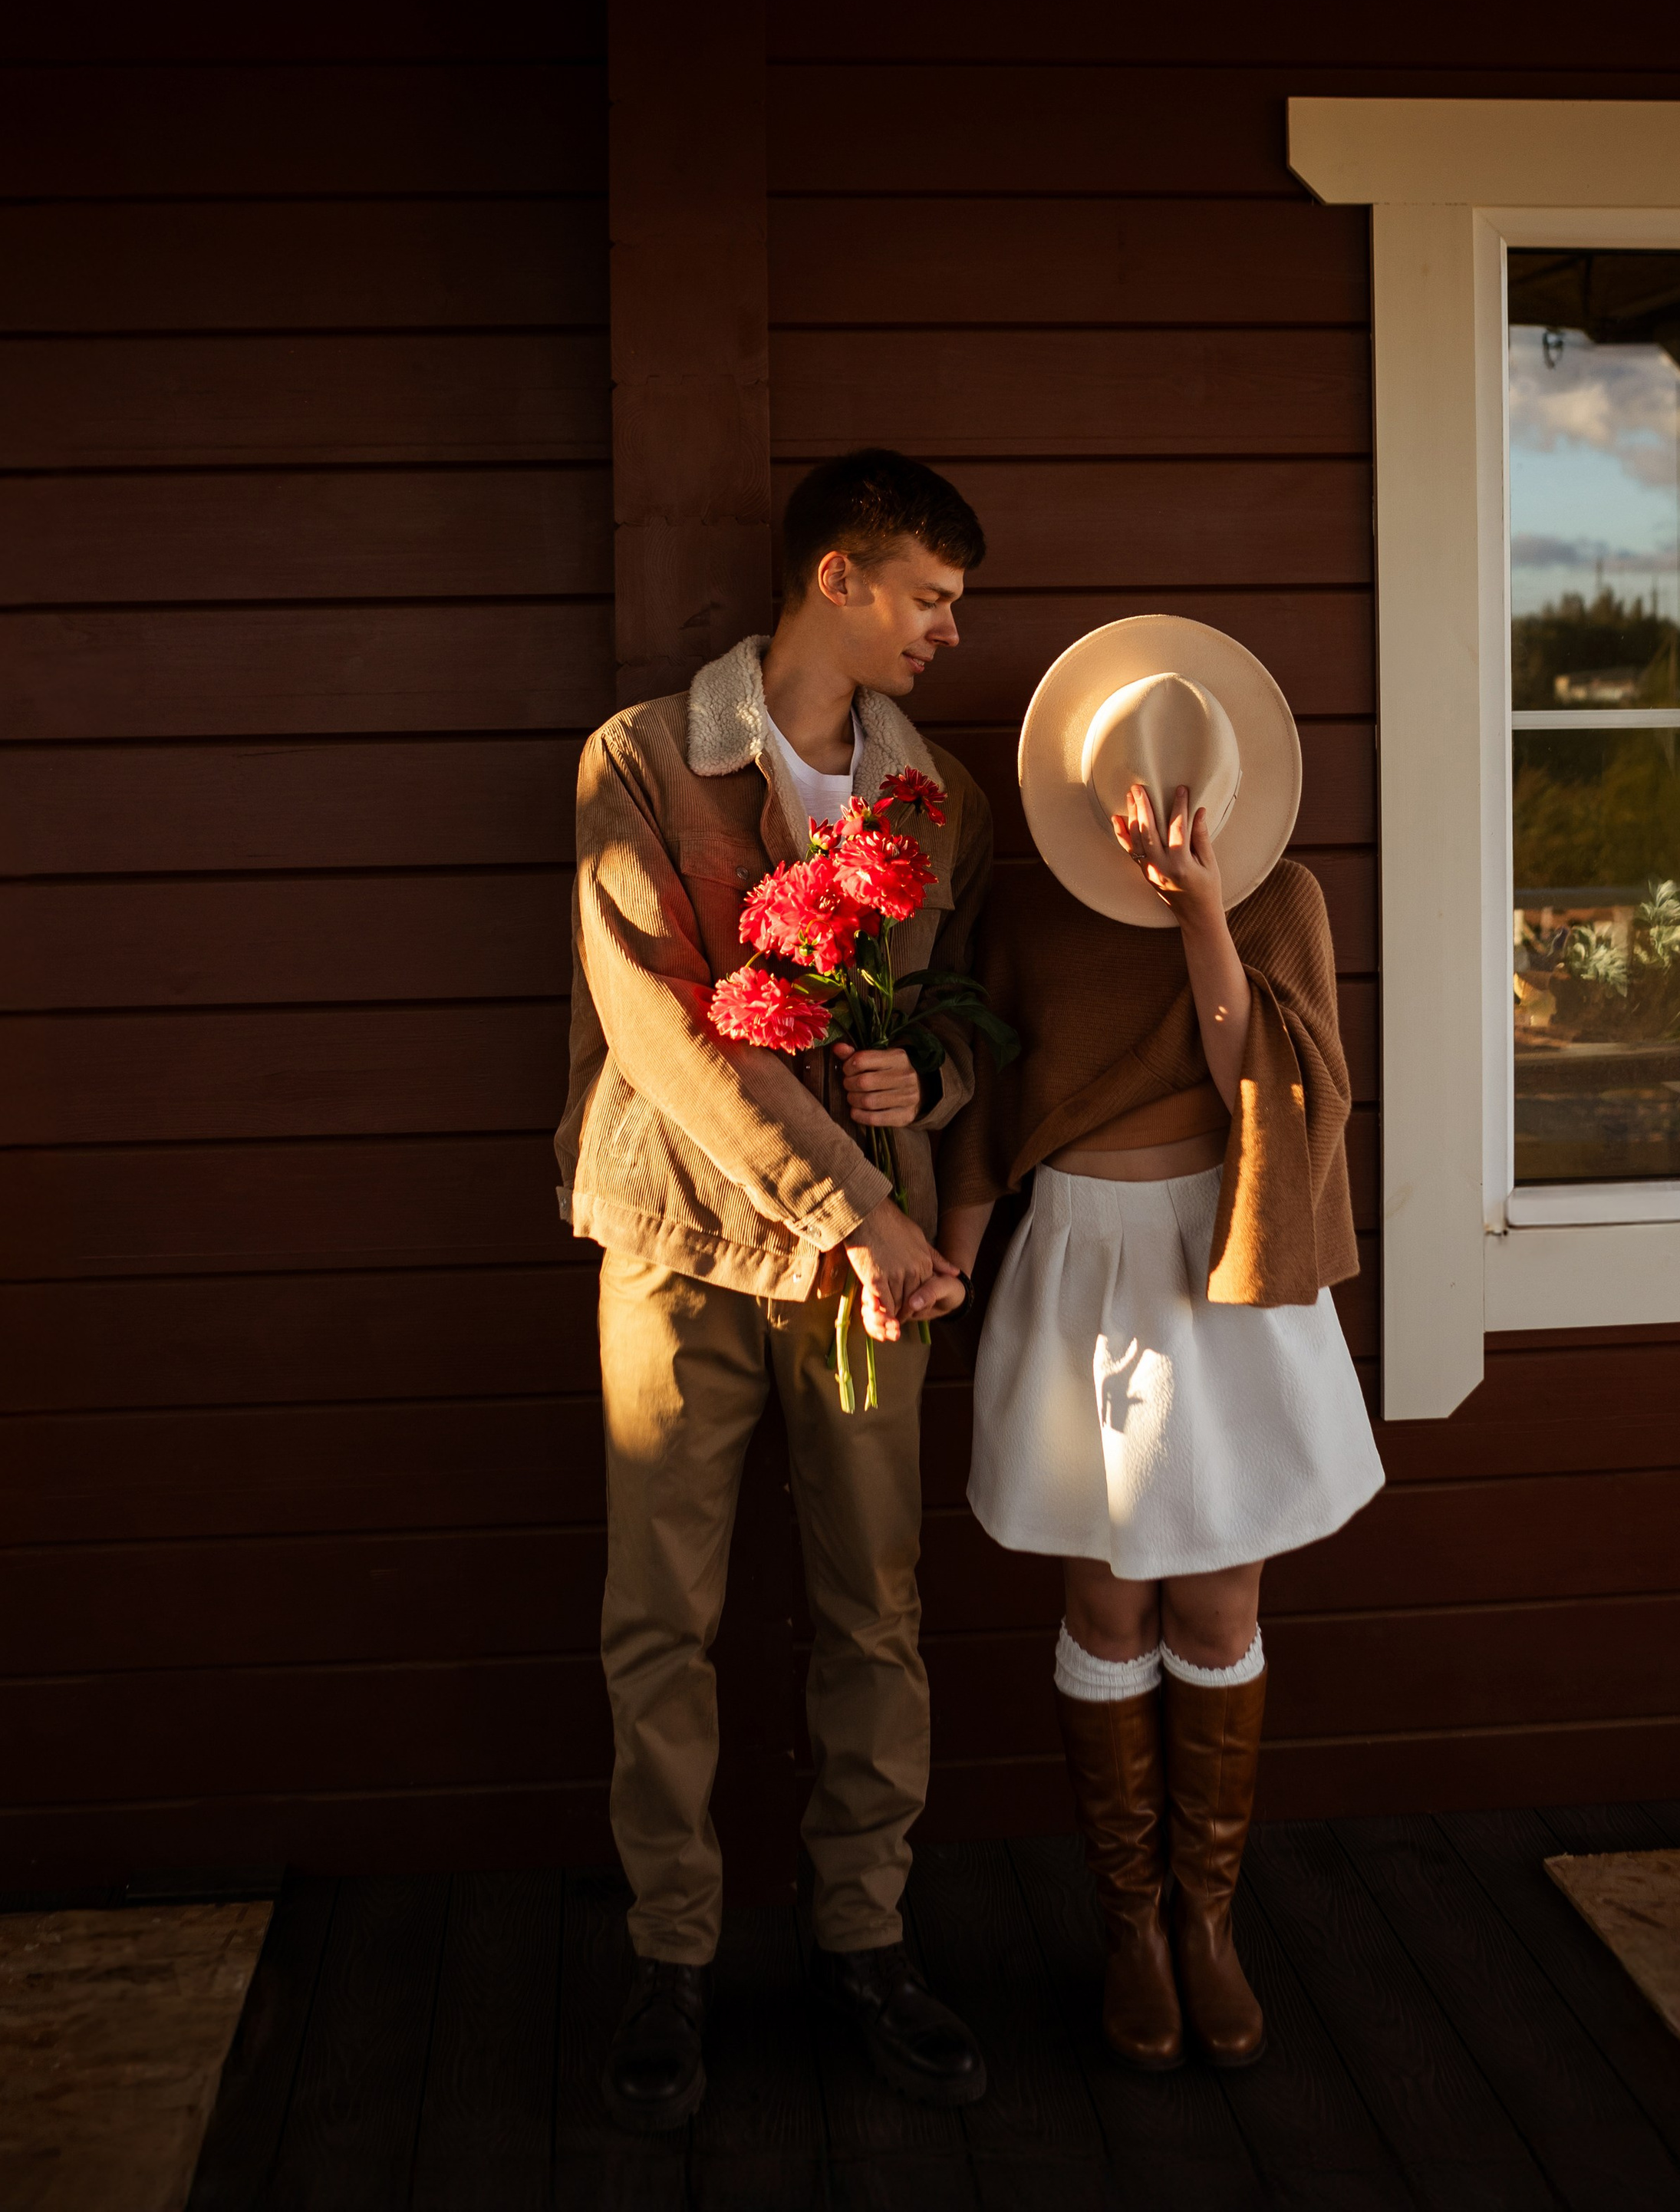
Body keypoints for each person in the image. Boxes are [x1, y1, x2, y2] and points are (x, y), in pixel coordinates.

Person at [558, 448, 993, 2130]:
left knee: (871, 1605)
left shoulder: (937, 794)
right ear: (838, 577)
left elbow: (954, 1017)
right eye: (930, 597)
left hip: (867, 1275)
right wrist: (849, 1207)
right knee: (659, 1616)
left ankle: (862, 1942)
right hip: (679, 1240)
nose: (949, 632)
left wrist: (924, 1102)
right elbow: (660, 1030)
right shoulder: (645, 759)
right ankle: (670, 1958)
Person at [925, 616, 1384, 2073]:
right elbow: (993, 1117)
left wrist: (1200, 910)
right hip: (1077, 1264)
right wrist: (948, 1249)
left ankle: (1208, 1921)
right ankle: (1127, 1923)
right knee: (1109, 1611)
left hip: (1225, 1266)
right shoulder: (1029, 913)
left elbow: (1270, 1088)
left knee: (1218, 1611)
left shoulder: (1286, 899)